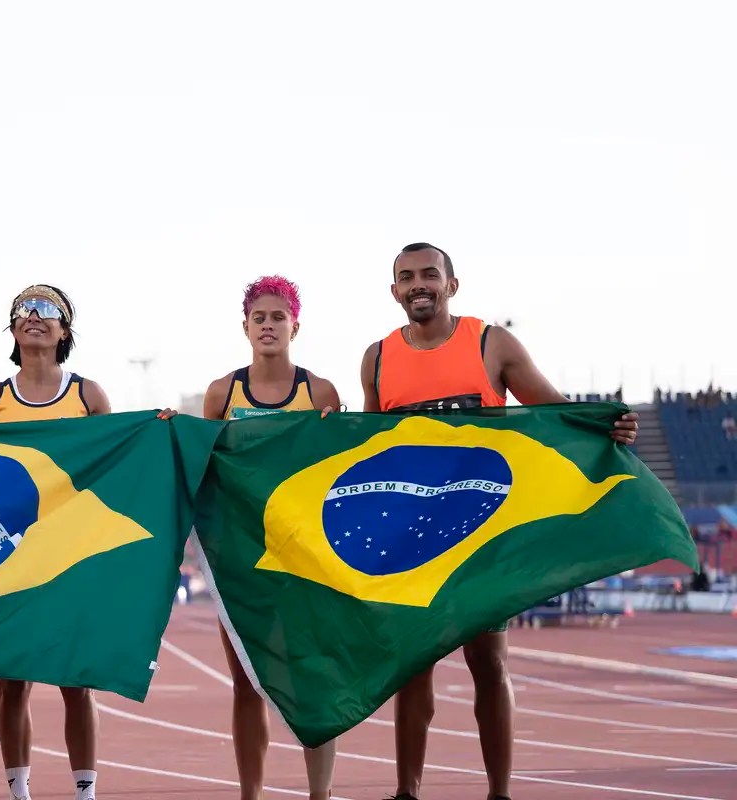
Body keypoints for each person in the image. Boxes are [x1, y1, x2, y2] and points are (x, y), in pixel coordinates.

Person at [360, 242, 637, 800]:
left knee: (488, 664)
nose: (419, 285)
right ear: (394, 291)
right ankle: (406, 793)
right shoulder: (379, 358)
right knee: (410, 670)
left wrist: (607, 427)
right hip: (412, 543)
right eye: (407, 277)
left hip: (484, 535)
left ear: (451, 285)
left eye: (430, 275)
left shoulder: (490, 344)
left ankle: (499, 793)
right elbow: (363, 450)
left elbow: (553, 411)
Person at [0, 285, 112, 800]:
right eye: (24, 309)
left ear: (65, 330)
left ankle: (84, 792)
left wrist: (155, 430)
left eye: (48, 310)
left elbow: (118, 465)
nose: (34, 316)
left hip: (69, 558)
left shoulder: (88, 395)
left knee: (77, 681)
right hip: (9, 559)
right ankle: (20, 791)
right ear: (11, 329)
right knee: (14, 682)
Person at [200, 276, 340, 800]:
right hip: (240, 557)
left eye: (277, 316)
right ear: (244, 327)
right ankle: (250, 795)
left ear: (295, 326)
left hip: (304, 559)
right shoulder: (223, 393)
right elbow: (201, 466)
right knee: (246, 683)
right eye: (258, 317)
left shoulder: (320, 392)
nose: (267, 325)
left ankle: (319, 794)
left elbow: (338, 472)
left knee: (311, 680)